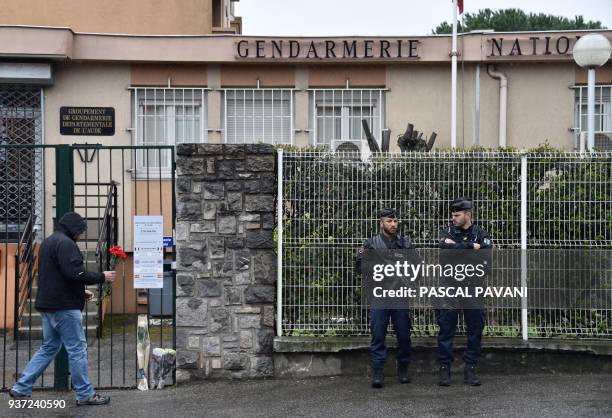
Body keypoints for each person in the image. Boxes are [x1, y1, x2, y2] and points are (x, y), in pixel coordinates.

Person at [9, 212, 116, 406]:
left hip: (48, 304)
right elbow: (75, 273)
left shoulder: (49, 242)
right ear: (73, 228)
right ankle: (84, 394)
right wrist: (102, 276)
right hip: (64, 307)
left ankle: (21, 387)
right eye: (81, 231)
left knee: (49, 347)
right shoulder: (66, 244)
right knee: (77, 349)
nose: (81, 235)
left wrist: (80, 292)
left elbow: (57, 276)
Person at [436, 197, 492, 387]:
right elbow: (444, 257)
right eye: (452, 215)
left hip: (473, 287)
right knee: (446, 327)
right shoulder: (447, 232)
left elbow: (485, 262)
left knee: (475, 328)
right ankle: (445, 369)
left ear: (468, 214)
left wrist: (455, 248)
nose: (453, 218)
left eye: (457, 215)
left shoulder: (481, 234)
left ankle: (470, 368)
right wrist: (469, 248)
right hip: (449, 286)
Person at [356, 208, 413, 388]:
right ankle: (378, 372)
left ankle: (403, 369)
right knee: (378, 334)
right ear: (381, 223)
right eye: (389, 221)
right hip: (379, 294)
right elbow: (360, 268)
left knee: (404, 334)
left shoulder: (405, 243)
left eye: (395, 221)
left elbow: (416, 267)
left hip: (399, 295)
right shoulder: (371, 244)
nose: (393, 224)